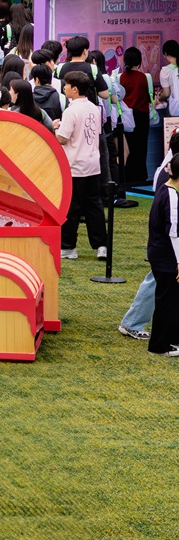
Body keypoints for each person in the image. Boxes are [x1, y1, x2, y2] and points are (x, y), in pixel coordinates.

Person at [121, 133, 178, 344]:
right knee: (157, 281)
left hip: (165, 242)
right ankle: (133, 322)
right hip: (167, 244)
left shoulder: (167, 170)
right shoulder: (168, 176)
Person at [57, 70, 107, 260]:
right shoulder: (94, 108)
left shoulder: (71, 111)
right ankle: (101, 245)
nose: (64, 87)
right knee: (94, 206)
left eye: (67, 85)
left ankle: (68, 247)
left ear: (75, 89)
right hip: (93, 164)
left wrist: (54, 129)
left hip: (75, 166)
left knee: (72, 208)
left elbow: (62, 138)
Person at [143, 136, 179, 356]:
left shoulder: (166, 190)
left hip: (162, 253)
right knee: (166, 300)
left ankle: (171, 340)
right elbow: (174, 233)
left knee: (171, 299)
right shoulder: (171, 196)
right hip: (166, 256)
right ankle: (159, 346)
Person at [120, 47, 151, 187]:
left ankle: (127, 176)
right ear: (139, 61)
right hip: (142, 116)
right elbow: (148, 98)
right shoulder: (144, 77)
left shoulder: (121, 77)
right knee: (141, 147)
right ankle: (140, 176)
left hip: (127, 118)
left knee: (128, 148)